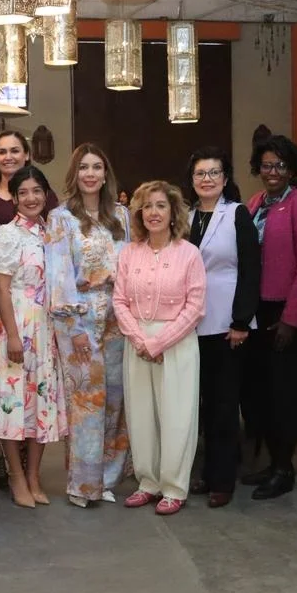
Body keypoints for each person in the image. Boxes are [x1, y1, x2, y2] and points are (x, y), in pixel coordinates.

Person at [46, 143, 130, 508]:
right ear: (74, 174)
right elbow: (59, 277)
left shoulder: (123, 217)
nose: (91, 174)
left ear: (106, 174)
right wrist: (74, 327)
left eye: (97, 167)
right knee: (86, 402)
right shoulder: (61, 217)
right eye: (84, 167)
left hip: (119, 319)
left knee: (115, 400)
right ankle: (84, 485)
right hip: (78, 319)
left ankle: (109, 478)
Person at [115, 181, 206, 515]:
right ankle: (148, 482)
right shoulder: (129, 252)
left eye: (160, 206)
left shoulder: (189, 253)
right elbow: (119, 300)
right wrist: (141, 340)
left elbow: (195, 307)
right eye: (147, 206)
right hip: (136, 342)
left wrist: (159, 342)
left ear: (173, 212)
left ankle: (174, 486)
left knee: (177, 415)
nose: (153, 212)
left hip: (177, 344)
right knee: (140, 415)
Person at [0, 165, 67, 507]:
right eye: (24, 192)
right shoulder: (7, 234)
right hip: (15, 326)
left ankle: (34, 477)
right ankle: (17, 477)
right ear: (14, 198)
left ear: (46, 195)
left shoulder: (52, 231)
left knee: (40, 402)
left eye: (37, 191)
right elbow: (0, 288)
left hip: (46, 329)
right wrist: (13, 336)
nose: (31, 198)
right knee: (14, 404)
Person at [240, 134, 297, 500]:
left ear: (292, 169)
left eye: (281, 165)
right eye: (268, 165)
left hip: (284, 311)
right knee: (261, 391)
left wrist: (291, 319)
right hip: (256, 311)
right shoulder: (256, 203)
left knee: (284, 393)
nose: (273, 172)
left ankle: (285, 467)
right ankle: (271, 463)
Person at [185, 147, 259, 508]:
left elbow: (250, 269)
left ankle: (222, 479)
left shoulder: (237, 215)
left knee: (224, 404)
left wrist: (242, 320)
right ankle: (204, 471)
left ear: (225, 179)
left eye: (214, 173)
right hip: (189, 324)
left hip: (228, 322)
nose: (207, 179)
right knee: (198, 405)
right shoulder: (184, 217)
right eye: (200, 173)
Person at [0, 130, 57, 222]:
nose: (8, 157)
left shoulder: (44, 193)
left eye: (15, 151)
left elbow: (55, 228)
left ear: (27, 155)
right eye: (2, 152)